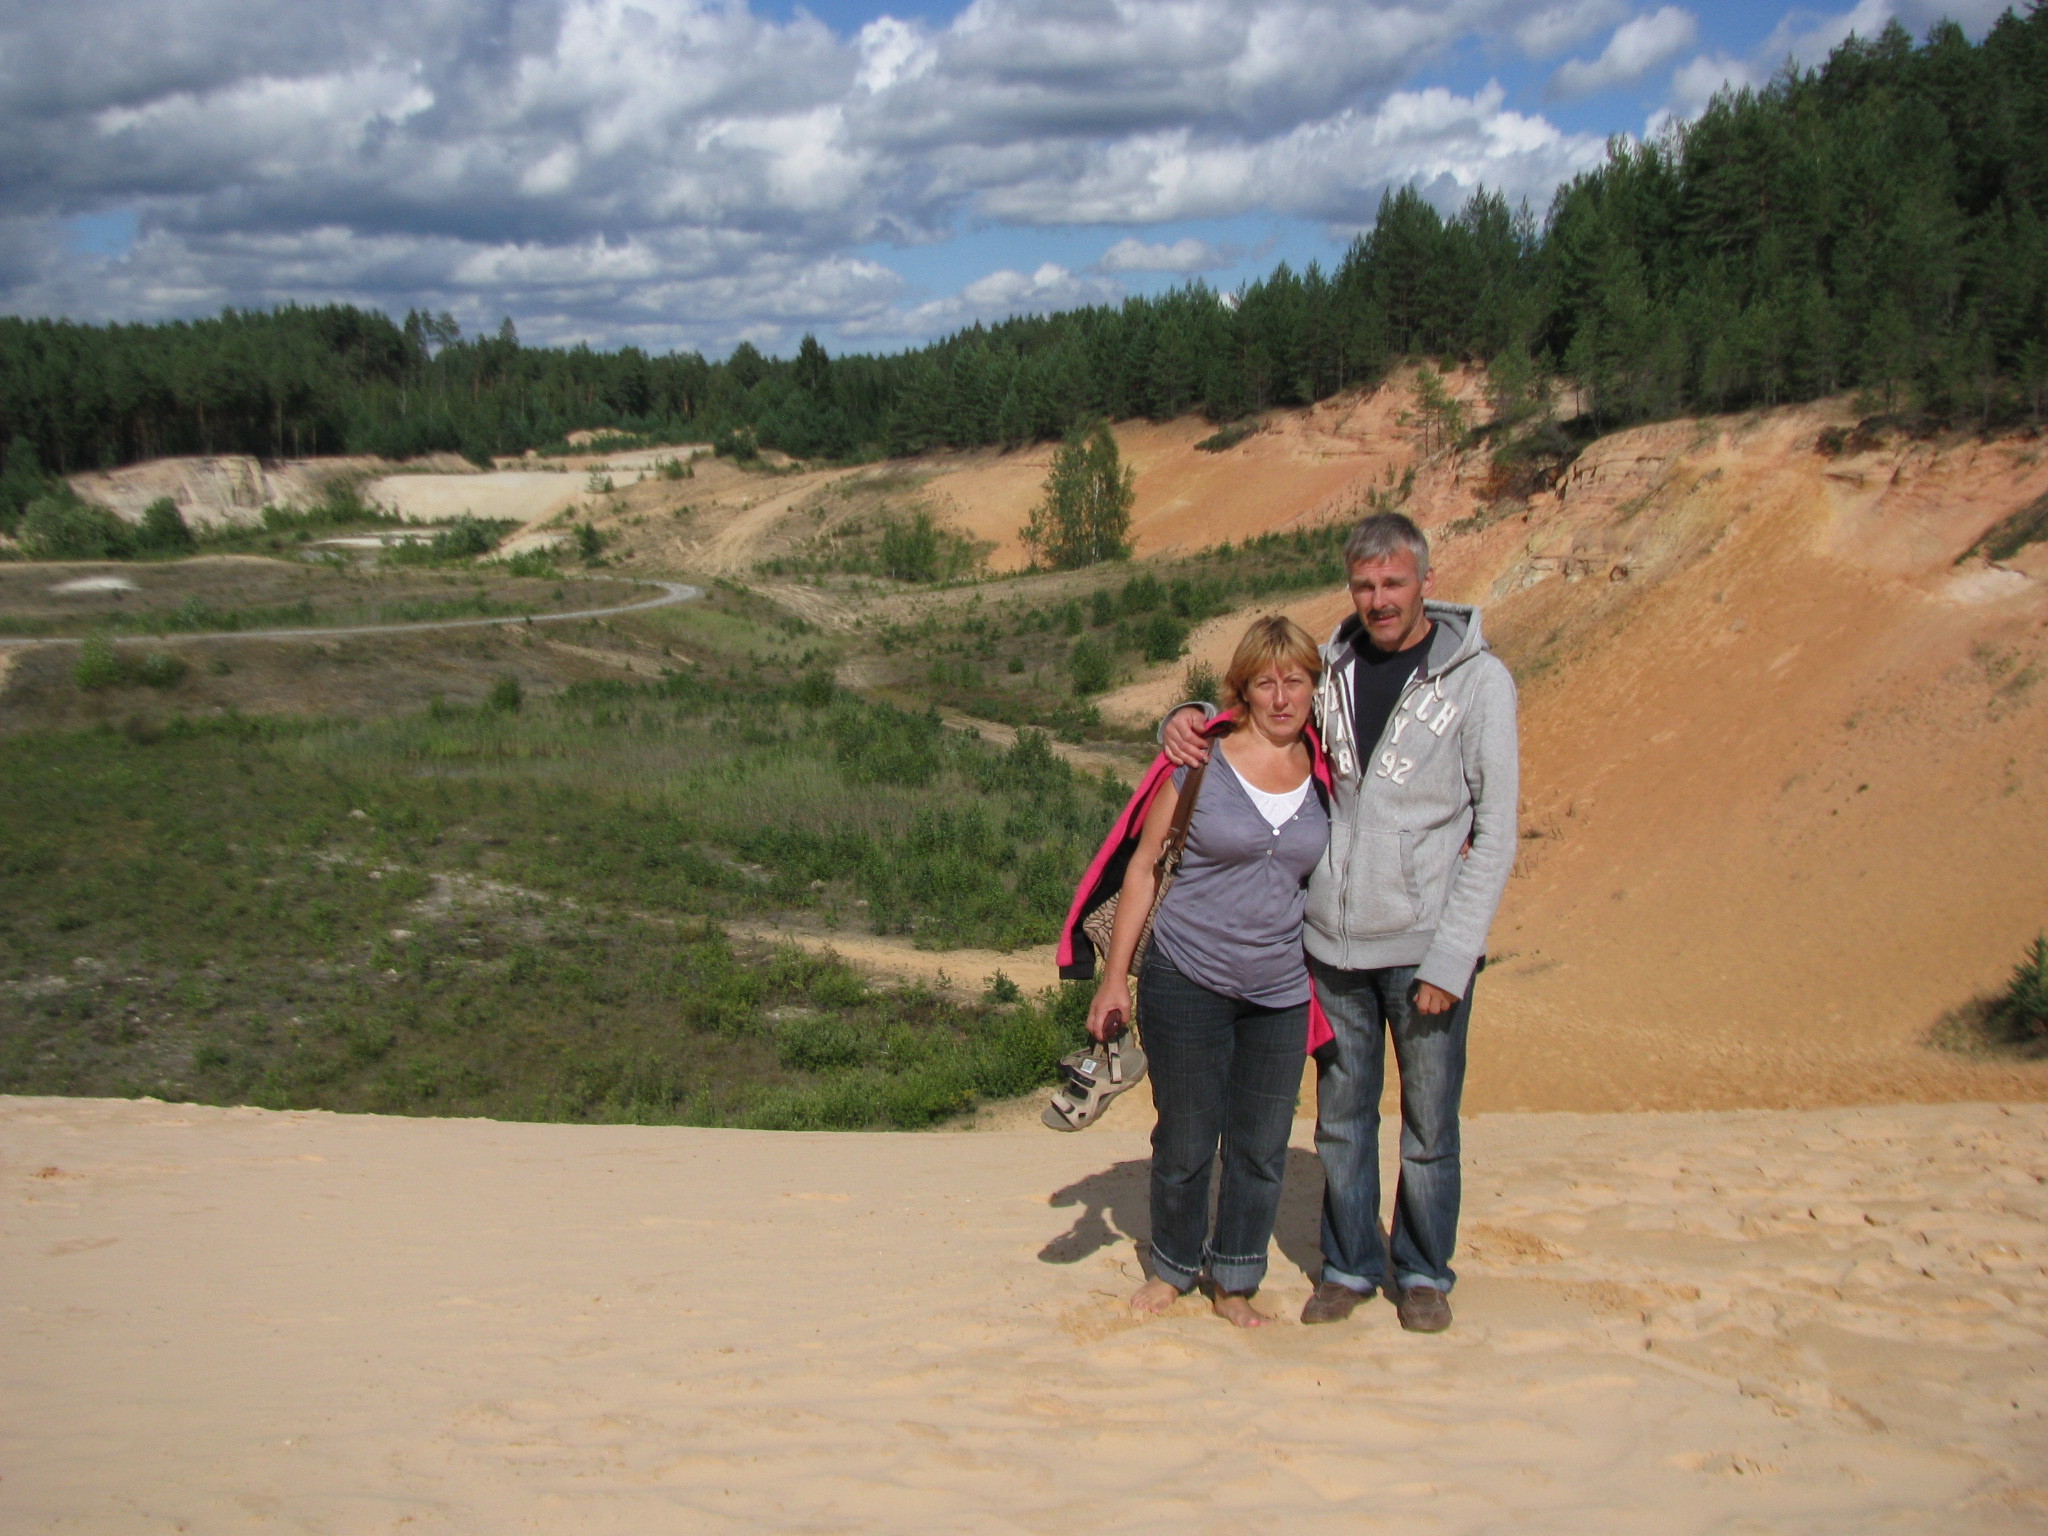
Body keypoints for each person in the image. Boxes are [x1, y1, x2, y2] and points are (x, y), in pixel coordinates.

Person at [1161, 512, 1518, 1333]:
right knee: (1343, 1124)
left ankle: (1422, 1271)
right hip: (1333, 947)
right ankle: (1350, 1266)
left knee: (1429, 1125)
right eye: (1365, 585)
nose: (1380, 599)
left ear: (1427, 582)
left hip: (1425, 947)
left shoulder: (1479, 683)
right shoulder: (1335, 668)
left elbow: (1497, 831)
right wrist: (1182, 716)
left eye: (1394, 582)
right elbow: (1264, 710)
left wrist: (1453, 957)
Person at [1071, 616, 1330, 1328]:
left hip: (1279, 990)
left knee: (1260, 1144)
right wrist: (1113, 979)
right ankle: (1174, 1266)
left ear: (1314, 686)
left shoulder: (1327, 768)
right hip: (1186, 975)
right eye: (1265, 683)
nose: (1282, 698)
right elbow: (1144, 868)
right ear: (1242, 689)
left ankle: (1236, 1278)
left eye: (1296, 681)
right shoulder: (1200, 762)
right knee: (1186, 1139)